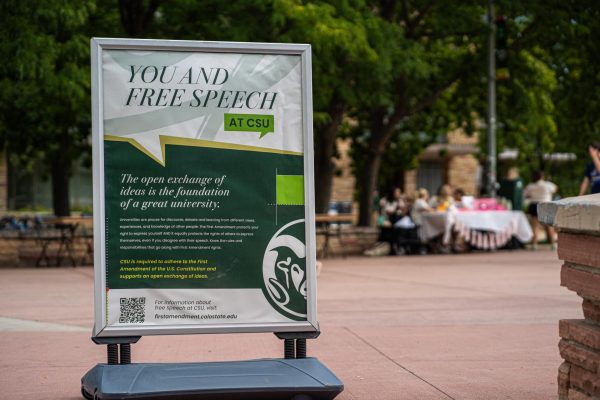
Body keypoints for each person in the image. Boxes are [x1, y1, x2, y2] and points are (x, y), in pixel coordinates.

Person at [524, 171, 557, 249]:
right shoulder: (548, 185)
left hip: (534, 205)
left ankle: (535, 243)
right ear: (542, 177)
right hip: (545, 205)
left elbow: (525, 195)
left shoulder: (530, 186)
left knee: (535, 226)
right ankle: (552, 243)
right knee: (549, 225)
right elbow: (555, 189)